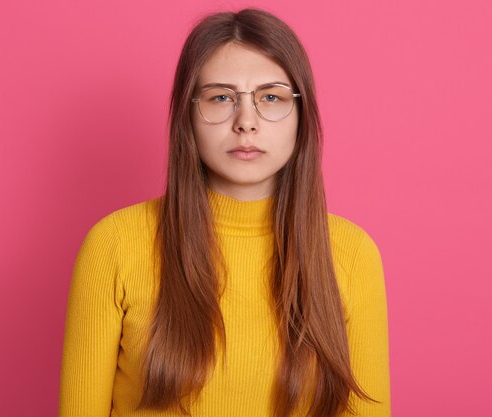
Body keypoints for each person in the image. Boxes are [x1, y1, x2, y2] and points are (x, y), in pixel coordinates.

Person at [58, 8, 390, 417]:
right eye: (220, 98)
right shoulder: (113, 245)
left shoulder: (352, 254)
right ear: (188, 116)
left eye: (271, 97)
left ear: (302, 116)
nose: (246, 122)